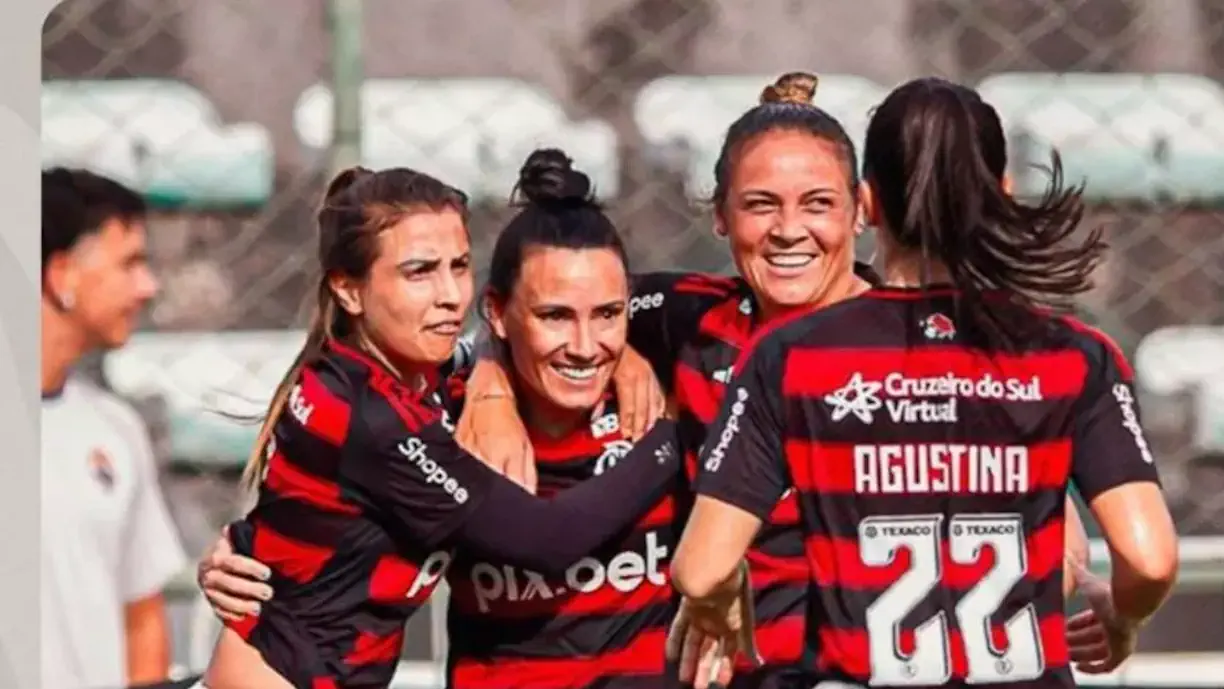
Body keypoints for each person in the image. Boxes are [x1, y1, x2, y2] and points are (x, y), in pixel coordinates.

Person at [454, 72, 1114, 688]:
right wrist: (491, 380)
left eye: (817, 203)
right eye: (760, 204)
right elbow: (547, 305)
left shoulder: (934, 342)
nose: (788, 231)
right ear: (720, 216)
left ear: (861, 209)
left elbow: (1050, 539)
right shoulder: (689, 317)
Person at [666, 77, 1179, 689]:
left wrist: (716, 601)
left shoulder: (791, 358)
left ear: (868, 203)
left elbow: (700, 571)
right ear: (1004, 195)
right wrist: (1124, 615)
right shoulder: (1073, 357)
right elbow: (1150, 560)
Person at [202, 149, 685, 689]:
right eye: (419, 273)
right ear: (348, 288)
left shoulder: (410, 376)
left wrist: (494, 383)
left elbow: (559, 303)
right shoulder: (371, 417)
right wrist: (678, 437)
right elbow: (545, 541)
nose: (451, 296)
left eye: (458, 266)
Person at [41, 167, 187, 689]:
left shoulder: (116, 428)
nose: (148, 287)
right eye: (130, 264)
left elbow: (141, 615)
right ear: (62, 275)